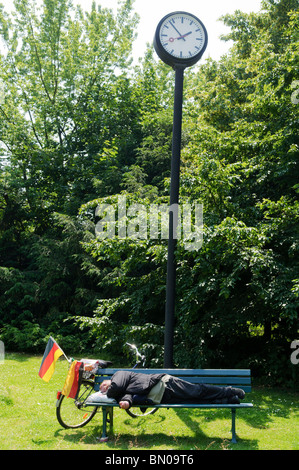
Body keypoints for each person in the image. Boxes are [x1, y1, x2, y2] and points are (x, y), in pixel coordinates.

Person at [99, 370, 245, 410]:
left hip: (165, 384)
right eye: (102, 390)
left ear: (107, 380)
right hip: (161, 398)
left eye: (104, 385)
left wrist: (108, 392)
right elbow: (128, 396)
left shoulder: (118, 376)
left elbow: (116, 387)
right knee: (194, 400)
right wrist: (126, 403)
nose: (104, 388)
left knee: (197, 391)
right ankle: (228, 400)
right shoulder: (121, 392)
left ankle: (230, 391)